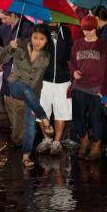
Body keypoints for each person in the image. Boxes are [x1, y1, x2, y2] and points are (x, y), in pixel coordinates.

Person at [0, 24, 52, 168]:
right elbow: (2, 60)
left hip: (32, 92)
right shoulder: (20, 44)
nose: (37, 41)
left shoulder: (45, 57)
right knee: (23, 87)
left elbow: (36, 80)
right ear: (31, 36)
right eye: (35, 37)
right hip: (15, 84)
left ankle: (26, 156)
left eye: (42, 39)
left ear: (46, 41)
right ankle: (44, 117)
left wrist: (32, 101)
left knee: (30, 125)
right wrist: (11, 47)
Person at [69, 15, 107, 161]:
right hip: (80, 87)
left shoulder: (105, 45)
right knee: (78, 117)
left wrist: (104, 89)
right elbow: (72, 63)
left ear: (96, 29)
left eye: (90, 30)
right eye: (85, 30)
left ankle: (96, 145)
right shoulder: (77, 44)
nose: (88, 33)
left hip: (97, 89)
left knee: (96, 118)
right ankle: (84, 140)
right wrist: (74, 71)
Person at [0, 9, 34, 147]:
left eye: (4, 18)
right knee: (9, 104)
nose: (3, 21)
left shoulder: (27, 27)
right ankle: (19, 132)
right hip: (8, 71)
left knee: (19, 106)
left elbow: (35, 46)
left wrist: (20, 44)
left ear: (13, 15)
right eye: (1, 19)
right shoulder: (5, 27)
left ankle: (18, 138)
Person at [34, 21, 73, 156]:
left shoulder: (65, 31)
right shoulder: (40, 29)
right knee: (42, 111)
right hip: (43, 79)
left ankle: (57, 141)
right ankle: (46, 139)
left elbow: (69, 55)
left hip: (63, 79)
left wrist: (72, 74)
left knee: (61, 111)